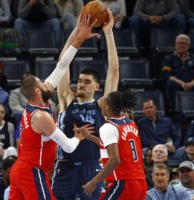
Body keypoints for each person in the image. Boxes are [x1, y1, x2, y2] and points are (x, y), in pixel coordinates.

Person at [9, 14, 98, 199]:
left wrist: (77, 34)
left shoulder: (35, 100)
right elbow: (68, 146)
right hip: (32, 171)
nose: (46, 82)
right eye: (42, 82)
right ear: (37, 92)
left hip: (21, 169)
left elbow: (62, 66)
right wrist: (79, 136)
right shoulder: (41, 117)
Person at [52, 9, 119, 200]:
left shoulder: (102, 106)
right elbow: (62, 63)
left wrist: (108, 32)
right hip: (65, 167)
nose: (81, 84)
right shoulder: (67, 99)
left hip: (91, 168)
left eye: (87, 82)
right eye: (80, 80)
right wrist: (77, 31)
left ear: (97, 86)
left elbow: (114, 71)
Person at [82, 90, 147, 199]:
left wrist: (93, 182)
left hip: (124, 183)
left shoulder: (108, 127)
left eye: (103, 102)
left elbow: (114, 159)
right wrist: (90, 137)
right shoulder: (131, 123)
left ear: (107, 107)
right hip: (140, 182)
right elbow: (115, 146)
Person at [161, 34, 194, 109]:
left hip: (193, 84)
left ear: (188, 46)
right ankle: (174, 110)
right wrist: (181, 83)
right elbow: (166, 74)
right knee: (170, 84)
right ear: (175, 45)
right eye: (179, 43)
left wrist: (192, 83)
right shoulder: (168, 58)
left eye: (184, 43)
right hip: (178, 84)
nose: (181, 45)